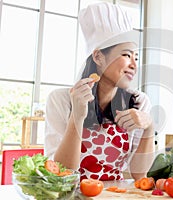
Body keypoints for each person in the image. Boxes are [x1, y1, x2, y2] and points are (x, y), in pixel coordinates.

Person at [44, 2, 154, 181]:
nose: (134, 65)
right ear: (98, 57)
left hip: (115, 194)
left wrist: (149, 127)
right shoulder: (60, 99)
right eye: (126, 55)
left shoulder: (139, 101)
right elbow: (60, 173)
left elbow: (139, 174)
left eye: (136, 57)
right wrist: (77, 117)